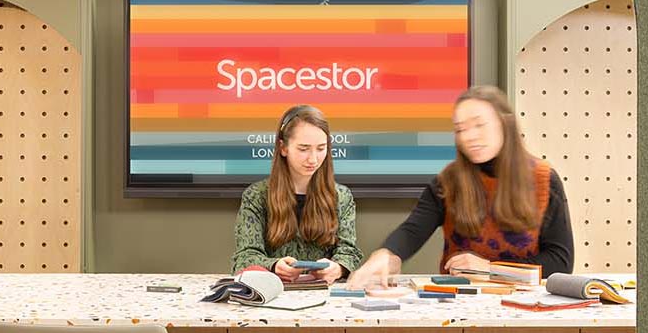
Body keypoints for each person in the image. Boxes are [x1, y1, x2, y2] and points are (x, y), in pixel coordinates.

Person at [352, 84, 574, 285]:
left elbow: (560, 262)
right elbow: (412, 231)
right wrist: (385, 254)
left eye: (479, 125)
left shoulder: (543, 178)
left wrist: (489, 270)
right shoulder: (447, 182)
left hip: (526, 306)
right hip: (461, 305)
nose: (469, 136)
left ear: (505, 123)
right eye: (460, 129)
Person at [230, 104, 364, 280]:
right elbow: (244, 257)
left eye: (321, 148)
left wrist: (338, 268)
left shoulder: (341, 196)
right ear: (283, 148)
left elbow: (349, 252)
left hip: (324, 295)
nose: (313, 159)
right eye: (303, 149)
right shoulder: (256, 196)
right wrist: (274, 266)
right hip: (273, 294)